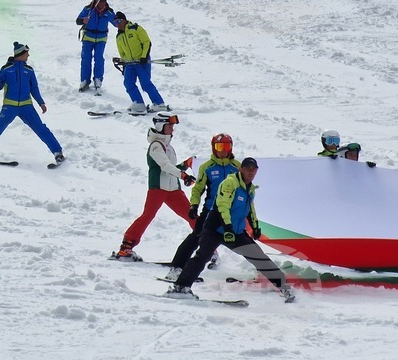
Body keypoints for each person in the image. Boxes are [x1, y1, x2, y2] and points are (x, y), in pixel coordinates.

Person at [169, 157, 296, 303]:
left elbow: (250, 209)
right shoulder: (230, 183)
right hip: (215, 229)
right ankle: (180, 287)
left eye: (254, 170)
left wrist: (255, 226)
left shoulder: (250, 188)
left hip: (235, 232)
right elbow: (223, 205)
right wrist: (227, 227)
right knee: (202, 257)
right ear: (241, 169)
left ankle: (285, 288)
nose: (251, 173)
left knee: (259, 257)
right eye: (248, 169)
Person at [114, 114, 196, 260]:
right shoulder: (156, 146)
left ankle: (208, 246)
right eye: (170, 126)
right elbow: (164, 166)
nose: (172, 129)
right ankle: (126, 247)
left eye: (172, 126)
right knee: (148, 215)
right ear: (161, 126)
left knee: (192, 216)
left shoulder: (168, 146)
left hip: (174, 190)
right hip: (158, 188)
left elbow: (171, 167)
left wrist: (185, 165)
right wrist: (183, 175)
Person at [0, 42, 64, 163]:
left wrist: (41, 102)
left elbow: (34, 88)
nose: (28, 56)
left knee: (40, 128)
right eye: (26, 54)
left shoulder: (28, 70)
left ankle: (58, 152)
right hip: (10, 106)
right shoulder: (6, 69)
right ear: (20, 54)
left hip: (26, 107)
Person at [164, 133, 240, 280]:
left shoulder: (236, 167)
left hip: (230, 213)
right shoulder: (207, 167)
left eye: (226, 146)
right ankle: (176, 269)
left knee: (242, 240)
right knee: (196, 238)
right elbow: (198, 189)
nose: (222, 150)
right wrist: (194, 205)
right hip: (211, 212)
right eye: (219, 146)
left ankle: (263, 272)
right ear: (214, 148)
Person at [112, 11, 169, 114]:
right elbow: (122, 52)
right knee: (128, 83)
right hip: (130, 63)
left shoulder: (136, 28)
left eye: (119, 21)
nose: (118, 24)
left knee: (145, 83)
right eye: (115, 22)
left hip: (141, 62)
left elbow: (147, 42)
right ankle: (138, 104)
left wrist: (144, 56)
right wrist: (124, 63)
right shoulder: (118, 36)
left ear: (125, 20)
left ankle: (159, 103)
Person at [76, 0, 116, 92]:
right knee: (86, 59)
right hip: (88, 37)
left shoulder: (108, 12)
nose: (101, 4)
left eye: (103, 2)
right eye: (100, 1)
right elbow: (78, 20)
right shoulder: (89, 9)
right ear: (96, 0)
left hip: (101, 38)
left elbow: (116, 23)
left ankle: (98, 79)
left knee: (99, 59)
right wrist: (83, 20)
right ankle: (85, 80)